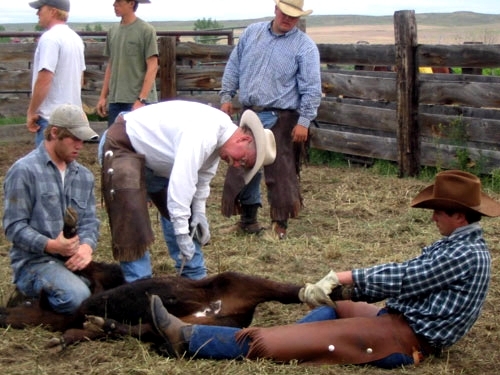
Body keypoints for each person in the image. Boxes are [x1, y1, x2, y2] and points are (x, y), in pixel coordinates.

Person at [149, 170, 500, 368]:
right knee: (332, 308)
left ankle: (189, 339)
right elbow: (408, 273)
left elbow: (407, 277)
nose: (434, 216)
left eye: (440, 210)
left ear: (459, 215)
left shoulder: (464, 254)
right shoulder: (458, 245)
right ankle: (295, 337)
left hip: (409, 338)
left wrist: (345, 277)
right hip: (398, 321)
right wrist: (346, 289)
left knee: (270, 343)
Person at [99, 100, 276, 282]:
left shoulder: (220, 137)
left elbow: (202, 179)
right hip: (123, 144)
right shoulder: (205, 132)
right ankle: (141, 288)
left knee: (187, 217)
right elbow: (182, 182)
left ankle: (194, 281)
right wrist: (182, 234)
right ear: (244, 139)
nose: (237, 165)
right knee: (132, 221)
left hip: (158, 164)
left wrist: (198, 212)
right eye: (243, 161)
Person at [219, 0, 322, 239]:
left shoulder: (304, 46)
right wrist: (226, 95)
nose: (288, 19)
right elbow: (234, 65)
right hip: (250, 112)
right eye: (285, 13)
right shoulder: (252, 33)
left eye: (294, 16)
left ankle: (280, 226)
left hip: (282, 115)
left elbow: (312, 87)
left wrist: (304, 121)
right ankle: (248, 220)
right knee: (242, 165)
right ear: (276, 9)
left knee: (281, 170)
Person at [3, 104, 100, 314]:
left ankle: (53, 294)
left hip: (72, 259)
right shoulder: (24, 171)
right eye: (74, 139)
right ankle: (29, 302)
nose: (80, 146)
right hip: (34, 261)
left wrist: (86, 248)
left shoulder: (84, 176)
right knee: (77, 298)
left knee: (111, 292)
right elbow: (13, 227)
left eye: (82, 140)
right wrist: (52, 245)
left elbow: (91, 222)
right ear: (54, 132)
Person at [26, 0, 86, 146]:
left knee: (46, 165)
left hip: (51, 117)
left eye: (40, 9)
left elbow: (45, 78)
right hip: (72, 117)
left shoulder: (50, 38)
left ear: (53, 11)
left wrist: (31, 111)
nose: (37, 13)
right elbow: (80, 78)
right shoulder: (75, 38)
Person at [96, 0, 158, 126]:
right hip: (116, 99)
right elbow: (111, 65)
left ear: (131, 3)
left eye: (119, 2)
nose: (114, 5)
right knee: (114, 142)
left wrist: (142, 99)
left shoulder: (146, 30)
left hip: (137, 101)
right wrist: (103, 97)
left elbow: (153, 66)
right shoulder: (113, 31)